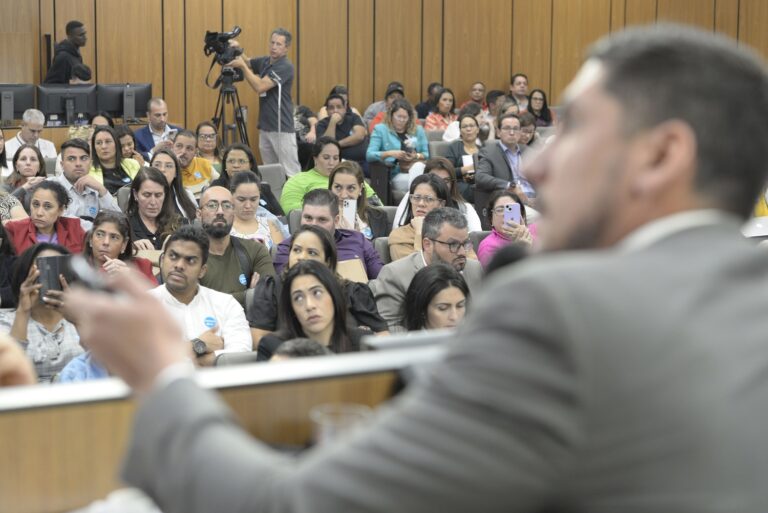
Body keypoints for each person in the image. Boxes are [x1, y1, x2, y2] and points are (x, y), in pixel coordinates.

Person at [61, 25, 768, 512]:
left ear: (661, 155)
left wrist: (160, 374)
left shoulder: (562, 313)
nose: (540, 163)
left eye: (573, 127)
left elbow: (289, 507)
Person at [248, 224, 387, 345]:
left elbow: (382, 338)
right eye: (296, 250)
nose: (301, 257)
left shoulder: (353, 292)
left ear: (328, 261)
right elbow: (259, 340)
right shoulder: (271, 287)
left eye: (312, 252)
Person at [148, 225, 252, 366]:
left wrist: (179, 357)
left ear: (202, 270)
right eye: (173, 256)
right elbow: (141, 361)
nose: (179, 265)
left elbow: (241, 355)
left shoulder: (226, 304)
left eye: (190, 260)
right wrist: (198, 345)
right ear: (162, 261)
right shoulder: (142, 305)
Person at [372, 207, 483, 329]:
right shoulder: (396, 275)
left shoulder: (475, 269)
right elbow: (389, 329)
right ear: (427, 244)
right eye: (453, 245)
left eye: (465, 244)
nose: (462, 252)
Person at [0, 243, 82, 382]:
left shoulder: (82, 319)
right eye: (41, 269)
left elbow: (101, 363)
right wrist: (23, 311)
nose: (49, 277)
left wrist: (77, 319)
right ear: (26, 275)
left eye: (57, 269)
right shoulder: (6, 321)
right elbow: (7, 370)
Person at [227, 28, 302, 177]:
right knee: (271, 171)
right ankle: (275, 199)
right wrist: (238, 49)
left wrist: (241, 66)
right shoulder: (266, 61)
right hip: (265, 126)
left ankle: (297, 199)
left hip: (281, 127)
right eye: (272, 43)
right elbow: (248, 62)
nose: (274, 47)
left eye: (279, 44)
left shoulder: (285, 66)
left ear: (286, 48)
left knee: (291, 171)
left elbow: (260, 87)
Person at [256, 260, 363, 361]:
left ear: (334, 296)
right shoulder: (273, 347)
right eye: (298, 298)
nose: (309, 306)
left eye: (317, 293)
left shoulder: (364, 342)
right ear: (291, 308)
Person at [272, 189, 384, 278]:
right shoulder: (288, 248)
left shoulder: (358, 240)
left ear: (336, 220)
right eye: (308, 218)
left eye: (322, 219)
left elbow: (381, 280)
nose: (313, 225)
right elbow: (286, 288)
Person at [197, 186, 275, 308]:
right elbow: (194, 303)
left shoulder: (256, 250)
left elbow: (269, 294)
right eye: (212, 205)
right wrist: (248, 295)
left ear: (233, 213)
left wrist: (211, 299)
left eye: (227, 206)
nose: (220, 212)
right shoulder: (188, 257)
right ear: (199, 214)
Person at [280, 137, 377, 214]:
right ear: (315, 159)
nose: (331, 163)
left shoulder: (350, 177)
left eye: (335, 158)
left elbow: (376, 204)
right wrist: (327, 211)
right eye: (326, 158)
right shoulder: (298, 180)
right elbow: (290, 210)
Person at [392, 158, 482, 231]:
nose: (439, 183)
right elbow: (397, 227)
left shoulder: (464, 208)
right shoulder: (413, 197)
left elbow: (475, 238)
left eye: (445, 180)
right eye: (435, 178)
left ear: (453, 183)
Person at [475, 113, 536, 217]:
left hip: (535, 201)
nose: (512, 132)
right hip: (510, 203)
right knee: (541, 219)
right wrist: (510, 186)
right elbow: (481, 177)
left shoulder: (528, 151)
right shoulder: (489, 152)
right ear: (498, 132)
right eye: (507, 128)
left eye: (516, 128)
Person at [366, 99, 429, 193]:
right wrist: (390, 153)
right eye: (399, 117)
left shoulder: (418, 130)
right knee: (416, 183)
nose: (402, 120)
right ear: (391, 115)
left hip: (415, 169)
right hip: (394, 173)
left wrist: (415, 156)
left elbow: (426, 154)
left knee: (421, 177)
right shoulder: (380, 129)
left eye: (405, 117)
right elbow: (369, 155)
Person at [49, 138, 120, 221]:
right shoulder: (50, 187)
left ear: (90, 163)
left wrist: (102, 190)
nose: (78, 164)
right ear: (62, 164)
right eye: (71, 159)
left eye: (83, 158)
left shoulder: (96, 188)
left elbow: (118, 221)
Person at [5, 181, 85, 254]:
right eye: (35, 204)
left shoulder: (74, 229)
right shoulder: (14, 230)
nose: (39, 213)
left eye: (47, 206)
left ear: (60, 210)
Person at [210, 144, 283, 218]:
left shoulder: (264, 188)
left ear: (250, 165)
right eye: (231, 161)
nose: (236, 165)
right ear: (225, 164)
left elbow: (281, 217)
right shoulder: (217, 187)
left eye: (241, 161)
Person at [83, 210, 157, 283]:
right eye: (99, 234)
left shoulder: (142, 266)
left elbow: (157, 293)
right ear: (90, 239)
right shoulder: (76, 267)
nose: (106, 242)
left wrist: (130, 275)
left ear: (124, 244)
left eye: (114, 237)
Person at [388, 174, 448, 261]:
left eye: (429, 199)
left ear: (441, 204)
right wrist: (419, 232)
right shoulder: (400, 236)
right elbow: (413, 270)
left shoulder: (452, 231)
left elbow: (471, 262)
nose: (421, 203)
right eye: (417, 197)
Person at [329, 161, 389, 239]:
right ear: (331, 188)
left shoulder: (379, 216)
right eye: (338, 187)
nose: (344, 195)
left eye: (351, 188)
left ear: (360, 188)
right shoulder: (320, 217)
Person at [401, 264, 469, 331]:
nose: (454, 316)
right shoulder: (411, 341)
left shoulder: (474, 339)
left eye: (460, 306)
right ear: (422, 310)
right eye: (443, 308)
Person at [126, 167, 180, 251]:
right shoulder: (124, 226)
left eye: (158, 195)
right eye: (147, 195)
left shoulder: (179, 223)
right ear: (136, 194)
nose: (153, 202)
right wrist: (129, 249)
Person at [477, 190, 533, 268]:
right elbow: (498, 278)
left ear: (522, 215)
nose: (505, 215)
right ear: (491, 219)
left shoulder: (535, 233)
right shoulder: (488, 246)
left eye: (511, 210)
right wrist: (519, 250)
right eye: (500, 210)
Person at [229, 171, 284, 250]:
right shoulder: (223, 227)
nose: (248, 206)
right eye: (241, 200)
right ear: (231, 196)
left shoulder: (269, 225)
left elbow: (281, 258)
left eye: (253, 199)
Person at [88, 126, 142, 196]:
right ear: (94, 147)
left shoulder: (133, 163)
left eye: (108, 141)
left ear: (116, 144)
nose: (103, 146)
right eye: (99, 143)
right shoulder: (88, 171)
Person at [314, 94, 368, 163]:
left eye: (339, 107)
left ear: (345, 109)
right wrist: (332, 122)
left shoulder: (354, 117)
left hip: (361, 161)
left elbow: (359, 136)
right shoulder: (322, 124)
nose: (335, 110)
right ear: (327, 111)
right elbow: (327, 146)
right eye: (331, 108)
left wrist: (337, 144)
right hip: (336, 163)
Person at [149, 149, 198, 220]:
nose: (162, 169)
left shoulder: (187, 195)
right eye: (157, 165)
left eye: (168, 166)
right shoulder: (141, 195)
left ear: (176, 173)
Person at [172, 129, 214, 197]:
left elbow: (220, 187)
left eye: (189, 148)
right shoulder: (165, 167)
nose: (183, 152)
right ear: (172, 147)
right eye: (179, 146)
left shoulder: (204, 165)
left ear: (195, 151)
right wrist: (173, 167)